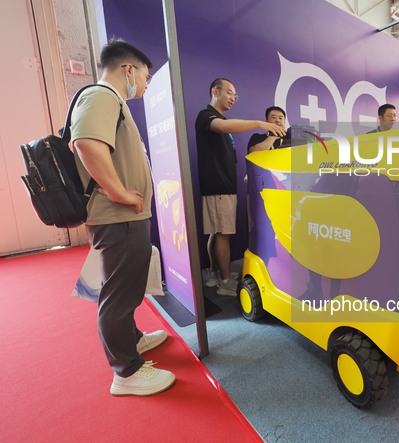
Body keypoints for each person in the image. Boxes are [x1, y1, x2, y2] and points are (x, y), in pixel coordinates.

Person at [71, 38, 174, 396]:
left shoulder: (111, 100)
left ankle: (132, 341)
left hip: (124, 215)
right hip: (117, 215)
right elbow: (86, 142)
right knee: (117, 293)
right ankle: (126, 372)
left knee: (127, 286)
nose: (145, 85)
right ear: (128, 69)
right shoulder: (100, 96)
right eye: (145, 76)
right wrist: (118, 192)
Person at [196, 78, 286, 296]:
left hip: (223, 184)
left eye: (235, 95)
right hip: (218, 185)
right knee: (223, 233)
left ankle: (216, 275)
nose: (232, 98)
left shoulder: (219, 119)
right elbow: (227, 127)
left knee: (217, 233)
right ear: (215, 91)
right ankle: (225, 282)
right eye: (229, 93)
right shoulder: (207, 116)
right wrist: (259, 124)